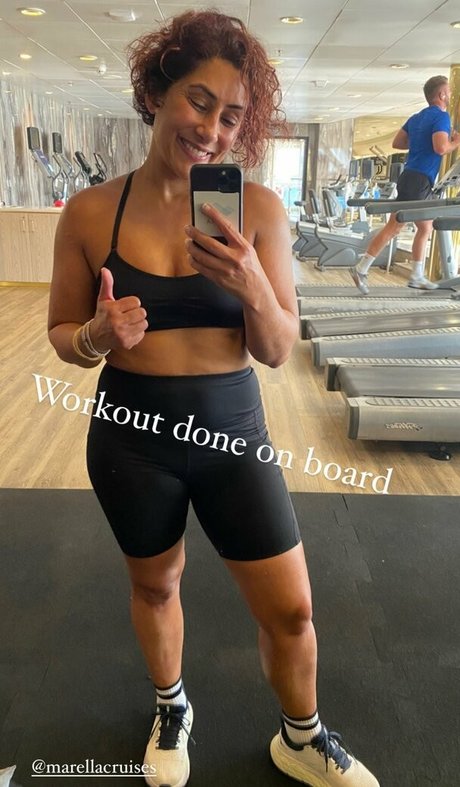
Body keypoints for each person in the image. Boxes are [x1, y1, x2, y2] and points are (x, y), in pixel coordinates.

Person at [48, 10, 379, 787]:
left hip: (233, 432)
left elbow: (276, 347)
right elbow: (61, 334)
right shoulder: (93, 212)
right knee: (155, 583)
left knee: (292, 609)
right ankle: (172, 706)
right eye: (199, 101)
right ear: (157, 92)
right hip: (132, 435)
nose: (212, 130)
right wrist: (95, 334)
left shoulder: (258, 210)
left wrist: (254, 284)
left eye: (232, 116)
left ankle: (301, 736)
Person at [350, 74, 460, 295]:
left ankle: (416, 275)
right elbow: (440, 148)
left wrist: (421, 140)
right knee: (396, 227)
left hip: (410, 176)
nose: (450, 94)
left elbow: (398, 142)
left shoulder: (417, 117)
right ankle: (362, 268)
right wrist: (455, 142)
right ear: (441, 94)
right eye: (448, 90)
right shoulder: (441, 117)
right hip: (419, 179)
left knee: (424, 227)